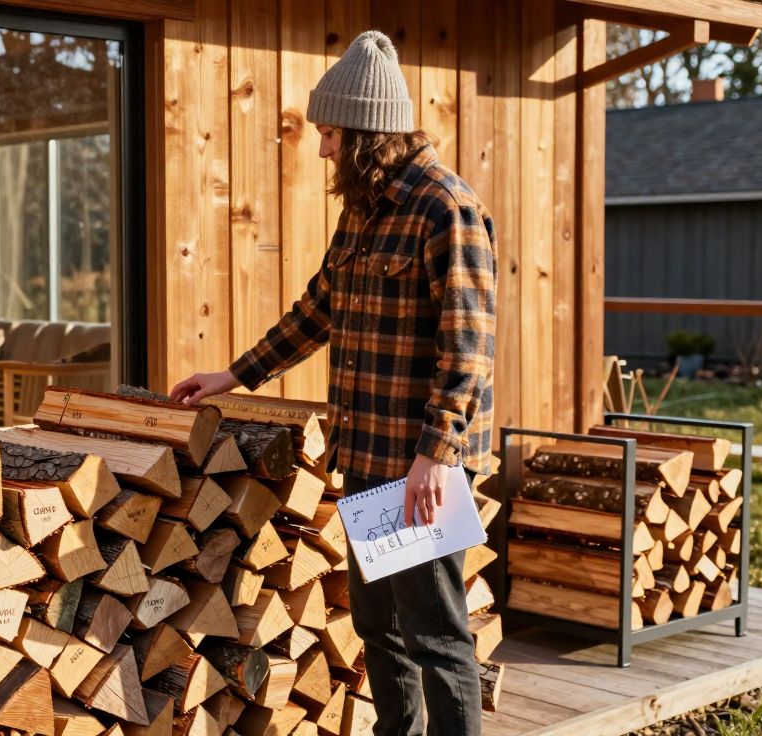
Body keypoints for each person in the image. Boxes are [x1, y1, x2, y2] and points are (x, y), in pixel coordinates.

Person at [169, 30, 495, 736]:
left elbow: (468, 349)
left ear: (366, 134)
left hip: (418, 470)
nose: (319, 148)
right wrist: (232, 375)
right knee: (379, 628)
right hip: (369, 458)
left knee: (437, 637)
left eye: (327, 133)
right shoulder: (363, 212)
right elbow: (317, 310)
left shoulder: (446, 208)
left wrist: (434, 458)